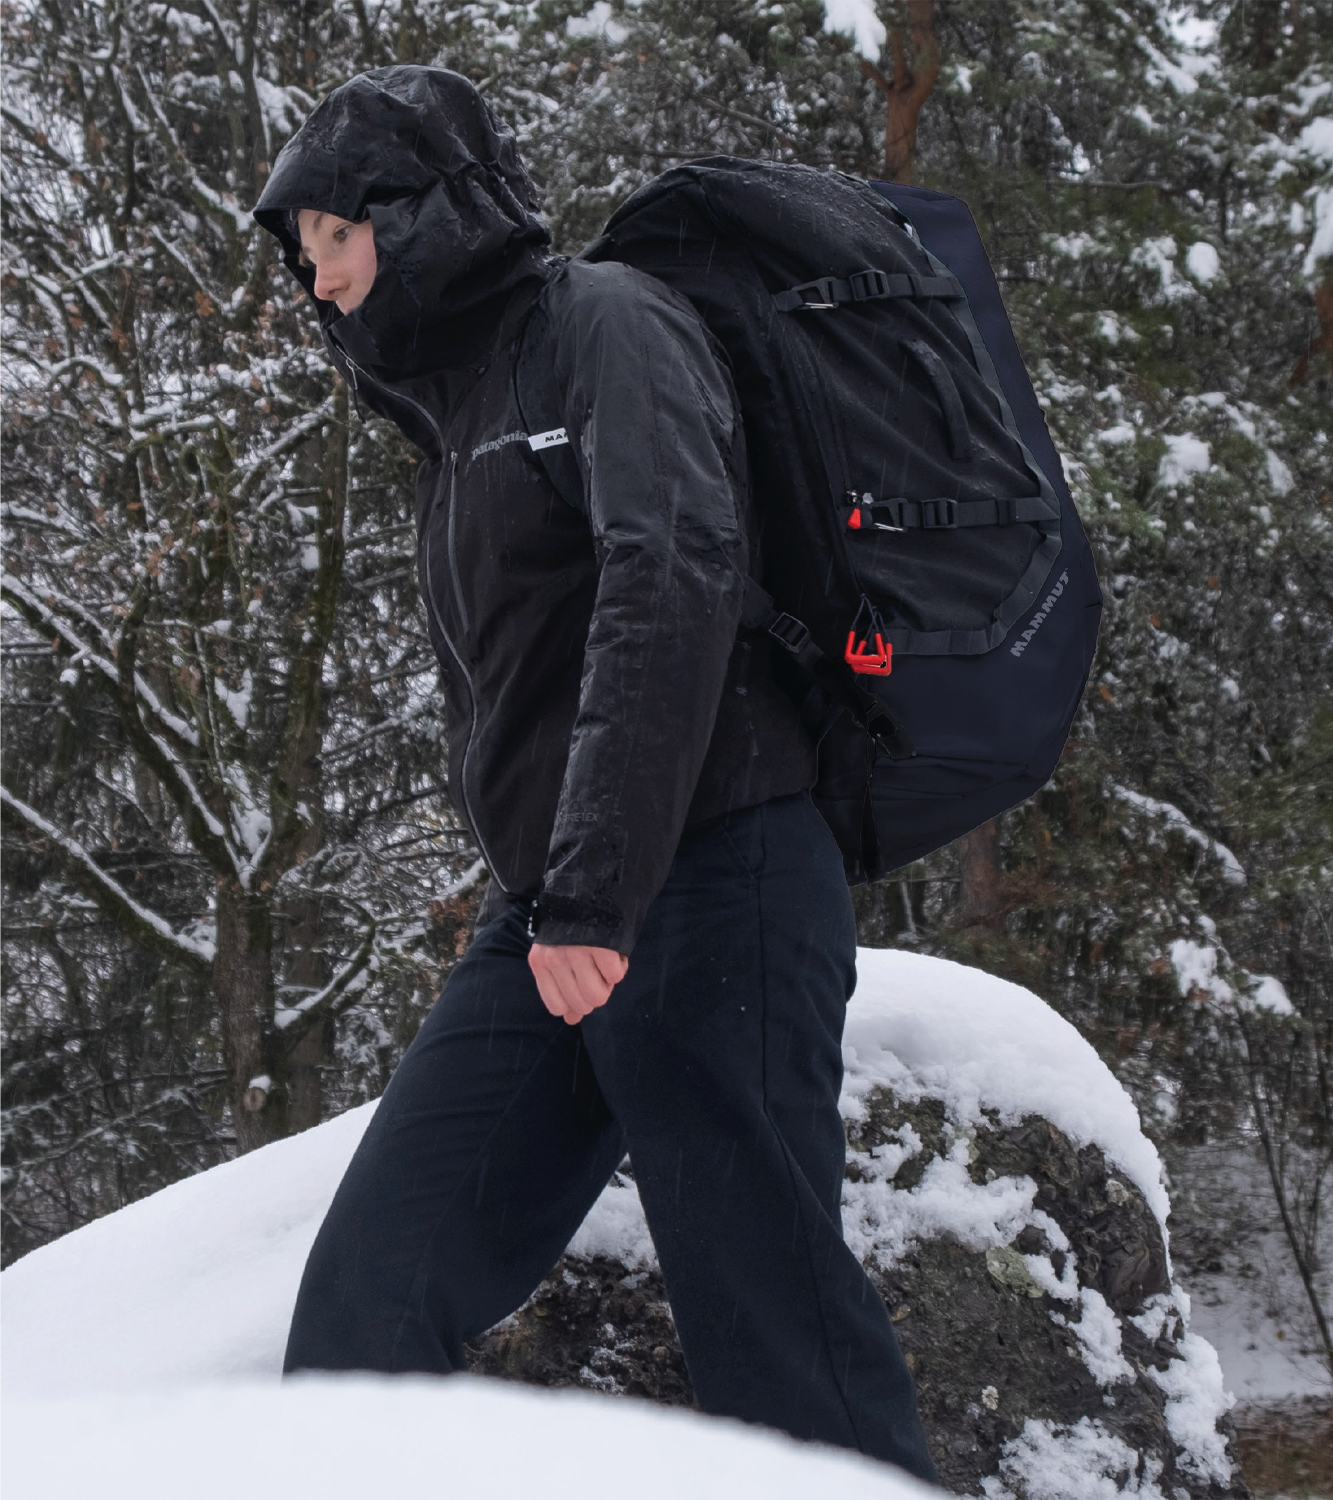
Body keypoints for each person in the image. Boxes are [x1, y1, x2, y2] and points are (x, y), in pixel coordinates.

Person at [253, 65, 938, 1484]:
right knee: (364, 1314)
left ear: (418, 212)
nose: (317, 283)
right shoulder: (455, 417)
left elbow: (673, 573)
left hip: (717, 868)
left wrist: (596, 895)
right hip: (560, 906)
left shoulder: (605, 324)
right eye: (303, 254)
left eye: (330, 239)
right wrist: (565, 897)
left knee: (780, 1360)